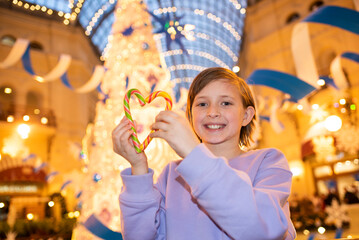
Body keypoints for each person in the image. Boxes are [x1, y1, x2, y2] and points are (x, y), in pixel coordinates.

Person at [112, 67, 296, 240]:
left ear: (246, 116)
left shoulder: (268, 161)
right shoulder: (171, 174)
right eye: (202, 104)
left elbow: (260, 230)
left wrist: (194, 154)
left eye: (226, 103)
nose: (212, 112)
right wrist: (138, 167)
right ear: (190, 117)